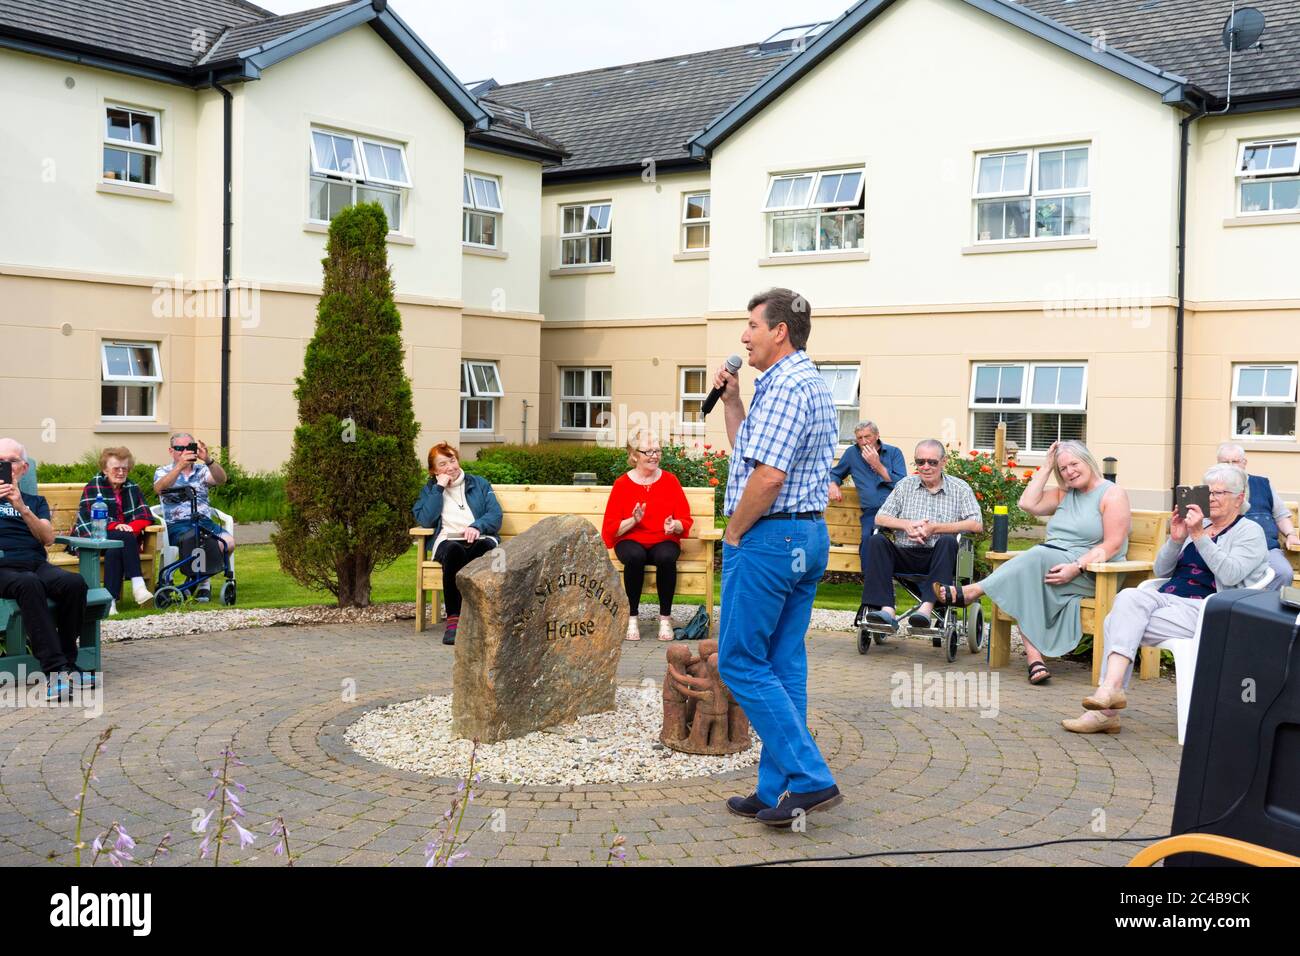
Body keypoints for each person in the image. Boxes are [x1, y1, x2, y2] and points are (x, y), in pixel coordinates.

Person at [713, 287, 842, 828]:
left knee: (739, 662)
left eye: (752, 325)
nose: (744, 336)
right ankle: (775, 792)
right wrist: (734, 401)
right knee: (783, 666)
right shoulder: (800, 383)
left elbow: (768, 477)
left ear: (779, 331)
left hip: (770, 540)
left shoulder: (787, 386)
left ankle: (810, 780)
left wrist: (734, 533)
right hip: (804, 538)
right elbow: (752, 455)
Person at [1063, 464, 1269, 735]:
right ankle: (1109, 694)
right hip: (1167, 601)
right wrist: (1176, 539)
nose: (1211, 498)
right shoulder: (1200, 524)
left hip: (1210, 610)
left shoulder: (1249, 532)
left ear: (1239, 498)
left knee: (1117, 621)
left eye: (1220, 493)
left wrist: (1198, 537)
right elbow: (1161, 571)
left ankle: (1106, 708)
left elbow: (1230, 575)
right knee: (1128, 598)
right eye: (1208, 492)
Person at [933, 440, 1130, 684]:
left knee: (1035, 557)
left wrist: (1076, 567)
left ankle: (974, 591)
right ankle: (1035, 660)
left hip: (1092, 571)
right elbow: (1027, 504)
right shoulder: (1065, 493)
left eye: (1074, 464)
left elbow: (1112, 544)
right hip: (1051, 564)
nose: (1070, 471)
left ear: (1088, 461)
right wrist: (1047, 466)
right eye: (1063, 468)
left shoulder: (1112, 494)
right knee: (1028, 577)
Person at [860, 441, 983, 634]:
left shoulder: (960, 488)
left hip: (939, 557)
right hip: (905, 553)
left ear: (944, 461)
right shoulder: (905, 485)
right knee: (876, 540)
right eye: (920, 462)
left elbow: (976, 524)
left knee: (948, 541)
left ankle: (926, 610)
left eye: (932, 462)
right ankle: (887, 610)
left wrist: (936, 528)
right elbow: (880, 517)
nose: (925, 467)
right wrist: (907, 525)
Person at [0, 438, 89, 697]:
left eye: (12, 462)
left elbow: (48, 539)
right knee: (29, 583)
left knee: (74, 583)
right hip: (2, 566)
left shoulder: (34, 501)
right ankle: (55, 671)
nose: (6, 466)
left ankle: (68, 663)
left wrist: (21, 507)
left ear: (24, 468)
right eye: (0, 463)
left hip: (35, 563)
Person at [601, 428, 693, 642]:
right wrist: (634, 520)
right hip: (631, 540)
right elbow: (611, 529)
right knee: (634, 557)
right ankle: (632, 618)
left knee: (666, 557)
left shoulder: (670, 481)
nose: (654, 456)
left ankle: (665, 619)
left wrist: (675, 525)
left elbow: (685, 519)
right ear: (634, 455)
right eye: (648, 451)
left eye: (657, 450)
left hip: (663, 538)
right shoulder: (622, 484)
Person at [413, 443, 502, 646]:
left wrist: (477, 526)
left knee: (485, 551)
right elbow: (426, 520)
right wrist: (439, 489)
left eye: (452, 460)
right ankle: (454, 619)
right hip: (447, 541)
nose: (450, 467)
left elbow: (495, 515)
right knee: (454, 550)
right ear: (434, 470)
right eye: (443, 464)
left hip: (479, 538)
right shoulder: (430, 490)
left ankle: (482, 618)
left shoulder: (480, 484)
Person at [828, 421, 907, 609]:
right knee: (869, 540)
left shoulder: (894, 453)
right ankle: (875, 595)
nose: (863, 442)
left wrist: (877, 465)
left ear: (877, 435)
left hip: (898, 512)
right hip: (872, 513)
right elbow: (835, 473)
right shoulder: (852, 454)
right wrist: (833, 484)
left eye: (867, 437)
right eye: (859, 438)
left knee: (909, 545)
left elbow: (903, 485)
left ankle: (893, 589)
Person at [73, 447, 154, 614]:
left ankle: (110, 602)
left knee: (115, 549)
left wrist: (129, 528)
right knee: (123, 537)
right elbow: (90, 517)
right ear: (105, 469)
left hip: (122, 541)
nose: (121, 472)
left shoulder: (132, 487)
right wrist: (115, 525)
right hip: (94, 536)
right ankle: (138, 585)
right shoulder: (94, 486)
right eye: (116, 468)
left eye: (124, 468)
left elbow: (145, 515)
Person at [152, 433, 232, 602]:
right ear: (171, 451)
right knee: (198, 540)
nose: (184, 452)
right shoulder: (163, 471)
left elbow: (221, 479)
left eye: (189, 447)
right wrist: (179, 467)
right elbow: (159, 488)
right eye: (180, 448)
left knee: (227, 543)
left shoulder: (202, 470)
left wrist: (208, 460)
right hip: (177, 524)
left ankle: (198, 581)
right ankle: (203, 585)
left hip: (203, 521)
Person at [1216, 442, 1298, 589]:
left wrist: (1291, 534)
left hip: (1266, 550)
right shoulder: (1212, 488)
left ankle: (1267, 610)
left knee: (1283, 573)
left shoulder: (1263, 484)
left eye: (1234, 461)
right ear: (1217, 464)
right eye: (1225, 462)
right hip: (1227, 550)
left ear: (1244, 463)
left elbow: (1280, 515)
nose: (1230, 466)